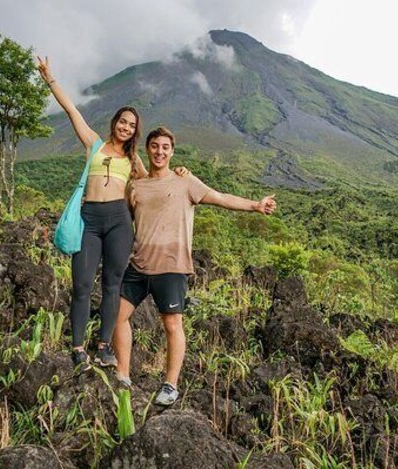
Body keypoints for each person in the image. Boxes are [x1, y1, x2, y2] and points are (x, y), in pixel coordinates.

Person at [36, 57, 188, 372]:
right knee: (81, 285)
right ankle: (77, 347)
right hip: (89, 220)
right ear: (114, 123)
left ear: (135, 132)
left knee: (112, 285)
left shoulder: (134, 160)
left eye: (132, 125)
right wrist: (50, 78)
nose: (126, 127)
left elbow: (153, 182)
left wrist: (180, 173)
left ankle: (104, 346)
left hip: (119, 222)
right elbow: (71, 111)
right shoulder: (94, 145)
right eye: (123, 122)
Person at [113, 127, 277, 406]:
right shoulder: (136, 186)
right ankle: (123, 376)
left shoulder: (185, 181)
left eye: (165, 147)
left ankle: (170, 385)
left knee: (172, 325)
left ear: (172, 151)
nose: (160, 151)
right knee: (117, 316)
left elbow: (221, 198)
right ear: (148, 149)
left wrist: (255, 206)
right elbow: (121, 221)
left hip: (172, 266)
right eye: (154, 146)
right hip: (139, 264)